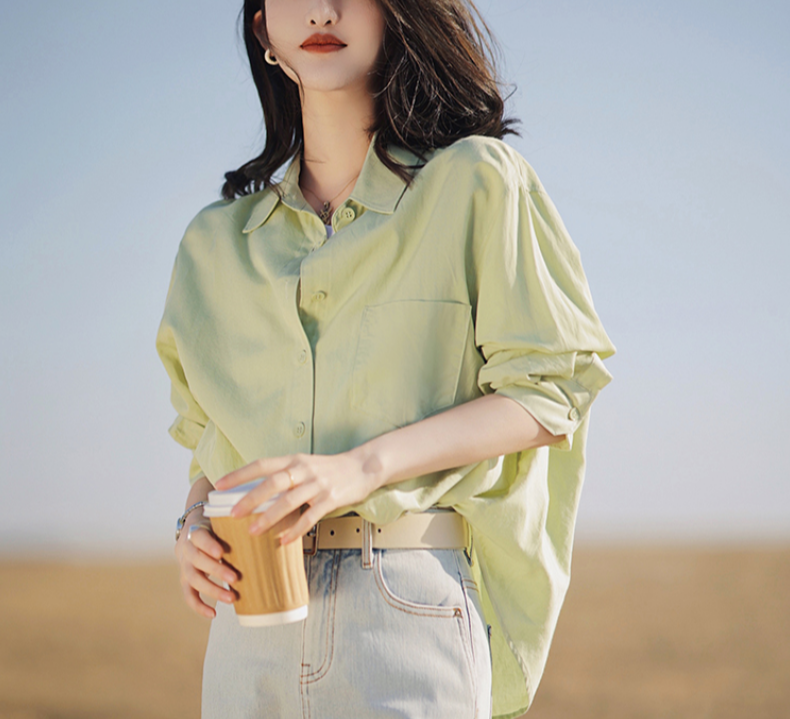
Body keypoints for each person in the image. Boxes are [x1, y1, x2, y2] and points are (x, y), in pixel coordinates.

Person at [156, 1, 615, 717]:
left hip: (406, 605)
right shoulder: (213, 245)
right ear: (262, 29)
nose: (323, 9)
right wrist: (192, 527)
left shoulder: (477, 182)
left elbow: (546, 392)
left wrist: (356, 468)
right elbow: (208, 443)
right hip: (247, 629)